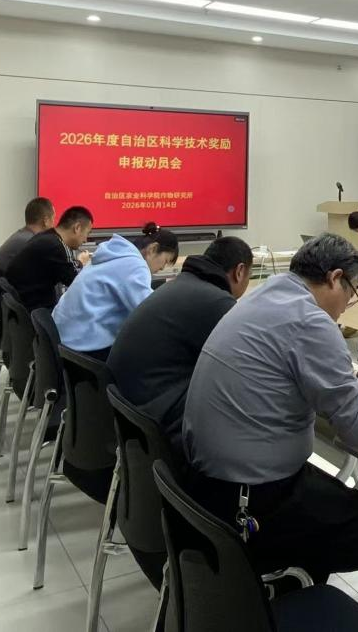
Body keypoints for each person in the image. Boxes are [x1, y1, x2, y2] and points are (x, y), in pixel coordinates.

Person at [183, 233, 358, 584]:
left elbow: (286, 353)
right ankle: (282, 577)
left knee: (334, 495)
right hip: (247, 499)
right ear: (335, 277)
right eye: (351, 294)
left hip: (205, 482)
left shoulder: (265, 293)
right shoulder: (312, 320)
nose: (346, 306)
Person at [106, 235, 253, 587]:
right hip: (162, 433)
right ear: (239, 272)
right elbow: (254, 366)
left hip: (135, 428)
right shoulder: (216, 302)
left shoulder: (178, 286)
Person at [53, 222, 179, 360]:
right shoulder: (135, 265)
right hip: (82, 347)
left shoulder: (116, 254)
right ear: (153, 249)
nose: (162, 268)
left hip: (63, 336)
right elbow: (150, 313)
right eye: (165, 261)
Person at [5, 206, 94, 311]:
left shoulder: (47, 237)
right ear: (77, 228)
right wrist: (83, 264)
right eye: (87, 233)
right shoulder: (57, 246)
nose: (85, 240)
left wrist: (78, 263)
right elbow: (77, 282)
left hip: (24, 304)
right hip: (35, 310)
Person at [0, 197, 55, 279]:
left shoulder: (23, 236)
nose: (54, 224)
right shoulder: (30, 242)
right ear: (46, 221)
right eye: (53, 219)